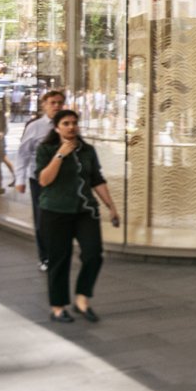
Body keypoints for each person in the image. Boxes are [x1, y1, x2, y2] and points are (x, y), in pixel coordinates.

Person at [34, 109, 120, 321]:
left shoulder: (87, 150)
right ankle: (58, 307)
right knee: (59, 259)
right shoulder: (46, 149)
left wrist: (111, 206)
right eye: (66, 123)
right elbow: (44, 180)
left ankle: (82, 298)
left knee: (93, 254)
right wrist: (60, 154)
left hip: (85, 211)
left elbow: (96, 179)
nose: (71, 127)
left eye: (74, 123)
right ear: (57, 128)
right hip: (55, 211)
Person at [14, 90, 66, 267]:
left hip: (62, 180)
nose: (56, 106)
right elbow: (23, 153)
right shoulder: (35, 127)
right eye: (52, 103)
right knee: (42, 218)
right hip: (39, 180)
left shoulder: (68, 125)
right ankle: (45, 257)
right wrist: (20, 179)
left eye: (59, 103)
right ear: (44, 105)